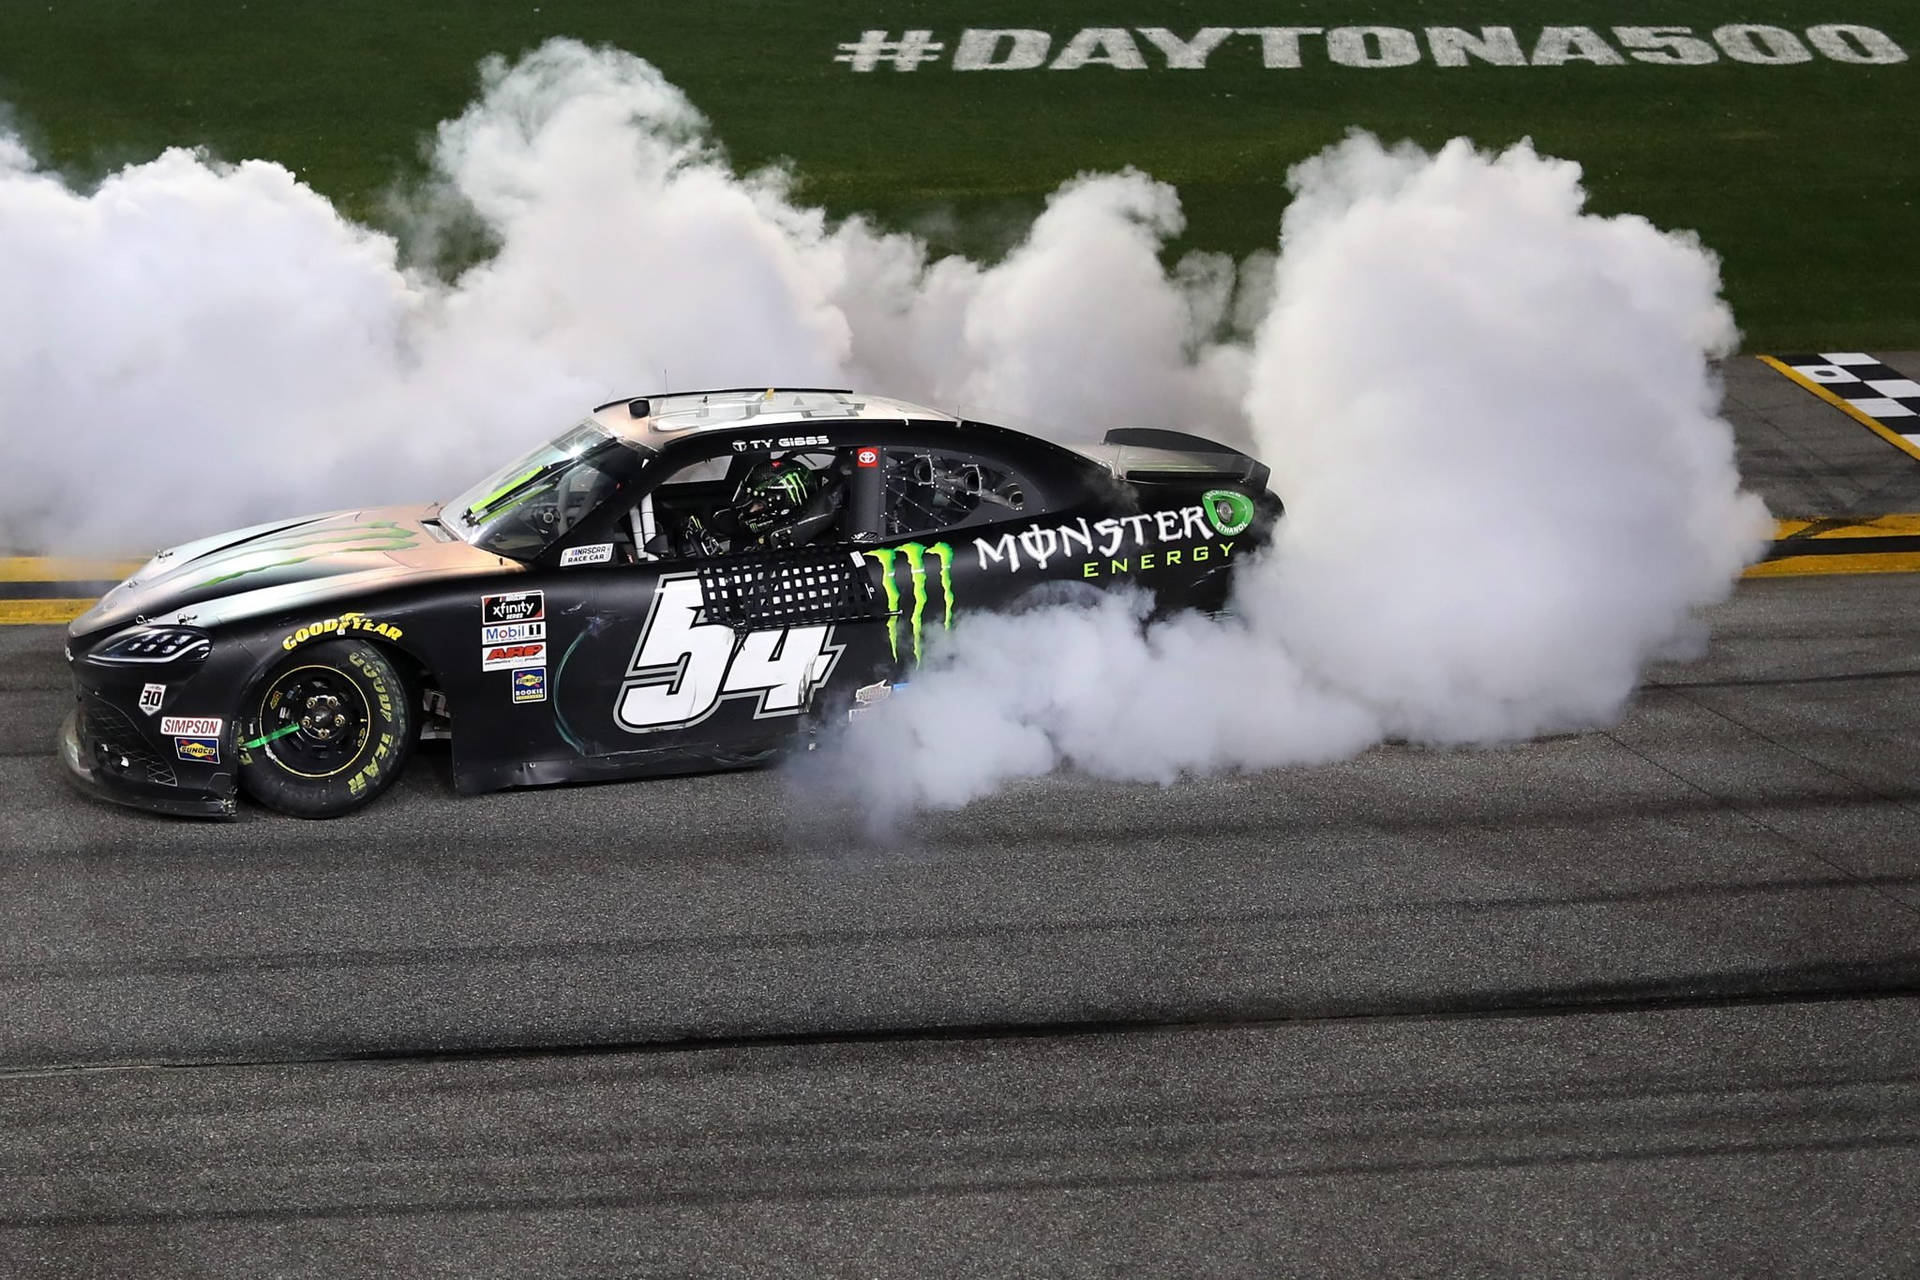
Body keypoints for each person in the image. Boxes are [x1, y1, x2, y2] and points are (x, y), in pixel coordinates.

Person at [680, 456, 842, 556]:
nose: (747, 510)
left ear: (781, 505)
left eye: (756, 503)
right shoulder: (769, 540)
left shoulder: (814, 549)